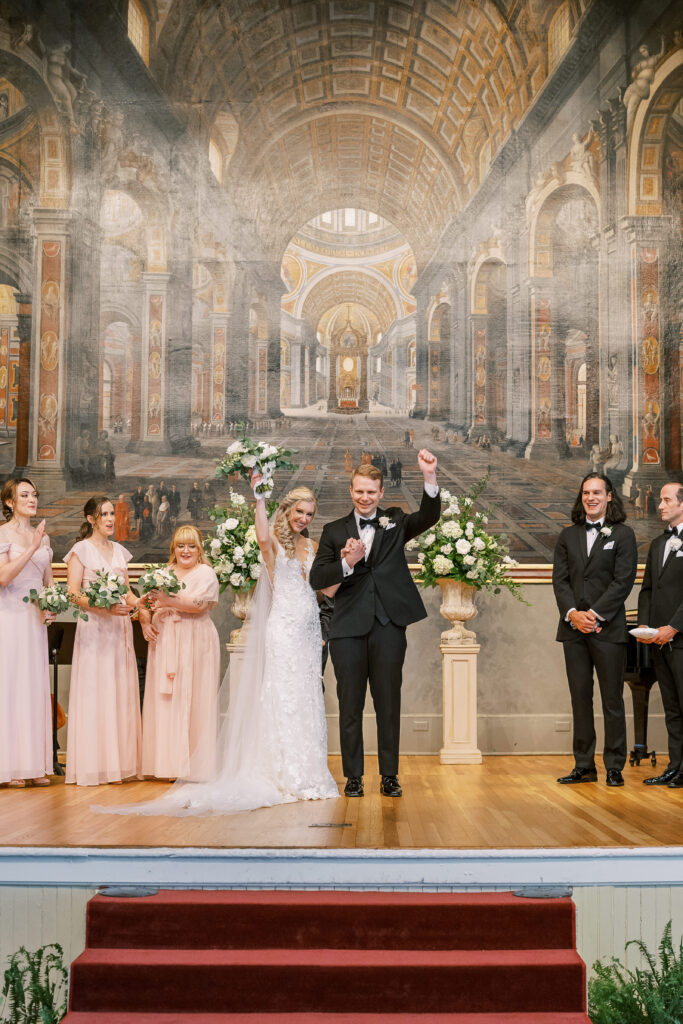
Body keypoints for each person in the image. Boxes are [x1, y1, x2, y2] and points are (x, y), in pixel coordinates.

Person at [113, 475, 339, 816]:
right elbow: (262, 534)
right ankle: (281, 772)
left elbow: (325, 589)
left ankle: (308, 771)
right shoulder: (274, 544)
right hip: (284, 628)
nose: (304, 518)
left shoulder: (313, 546)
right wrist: (260, 498)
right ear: (287, 510)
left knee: (307, 697)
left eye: (309, 513)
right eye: (299, 512)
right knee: (283, 696)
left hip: (308, 629)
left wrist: (347, 564)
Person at [309, 451, 440, 798]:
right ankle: (353, 776)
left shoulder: (394, 521)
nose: (365, 498)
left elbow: (429, 516)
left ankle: (390, 775)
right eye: (359, 492)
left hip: (388, 624)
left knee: (388, 703)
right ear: (350, 491)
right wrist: (347, 563)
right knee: (350, 704)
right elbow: (317, 578)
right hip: (347, 626)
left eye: (371, 492)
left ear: (381, 493)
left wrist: (429, 476)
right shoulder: (333, 530)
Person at [552, 474, 637, 788]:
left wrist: (595, 614)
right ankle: (584, 765)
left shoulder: (623, 535)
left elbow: (622, 581)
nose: (591, 497)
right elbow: (559, 581)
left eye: (597, 492)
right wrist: (574, 614)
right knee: (579, 698)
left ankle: (615, 765)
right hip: (573, 630)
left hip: (608, 629)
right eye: (586, 492)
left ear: (609, 496)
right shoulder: (567, 535)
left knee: (612, 699)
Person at [64, 496, 142, 785]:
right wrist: (102, 607)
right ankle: (95, 764)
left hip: (119, 631)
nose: (110, 519)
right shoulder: (80, 551)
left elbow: (127, 592)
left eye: (112, 513)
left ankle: (119, 763)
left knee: (119, 690)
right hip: (95, 628)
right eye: (104, 514)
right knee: (96, 690)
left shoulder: (120, 552)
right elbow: (72, 593)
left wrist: (141, 604)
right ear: (90, 519)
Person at [139, 526, 220, 781]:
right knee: (165, 699)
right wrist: (144, 621)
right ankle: (167, 765)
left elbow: (199, 606)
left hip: (196, 638)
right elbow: (147, 603)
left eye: (191, 546)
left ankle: (194, 766)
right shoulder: (163, 573)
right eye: (180, 546)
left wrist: (168, 600)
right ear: (173, 548)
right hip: (166, 639)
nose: (186, 551)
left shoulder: (206, 573)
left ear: (199, 549)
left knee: (194, 697)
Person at [0, 478, 54, 788]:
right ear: (9, 502)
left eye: (34, 494)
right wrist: (31, 546)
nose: (31, 499)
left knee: (33, 688)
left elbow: (46, 580)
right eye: (24, 495)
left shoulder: (43, 540)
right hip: (9, 618)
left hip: (35, 622)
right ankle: (9, 767)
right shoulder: (3, 535)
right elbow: (4, 577)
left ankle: (33, 764)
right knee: (11, 687)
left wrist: (51, 603)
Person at [636, 483, 683, 787]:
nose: (660, 505)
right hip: (659, 641)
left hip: (680, 638)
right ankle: (676, 768)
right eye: (661, 500)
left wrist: (674, 627)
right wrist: (646, 628)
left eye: (666, 500)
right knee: (671, 709)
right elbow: (648, 590)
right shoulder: (657, 543)